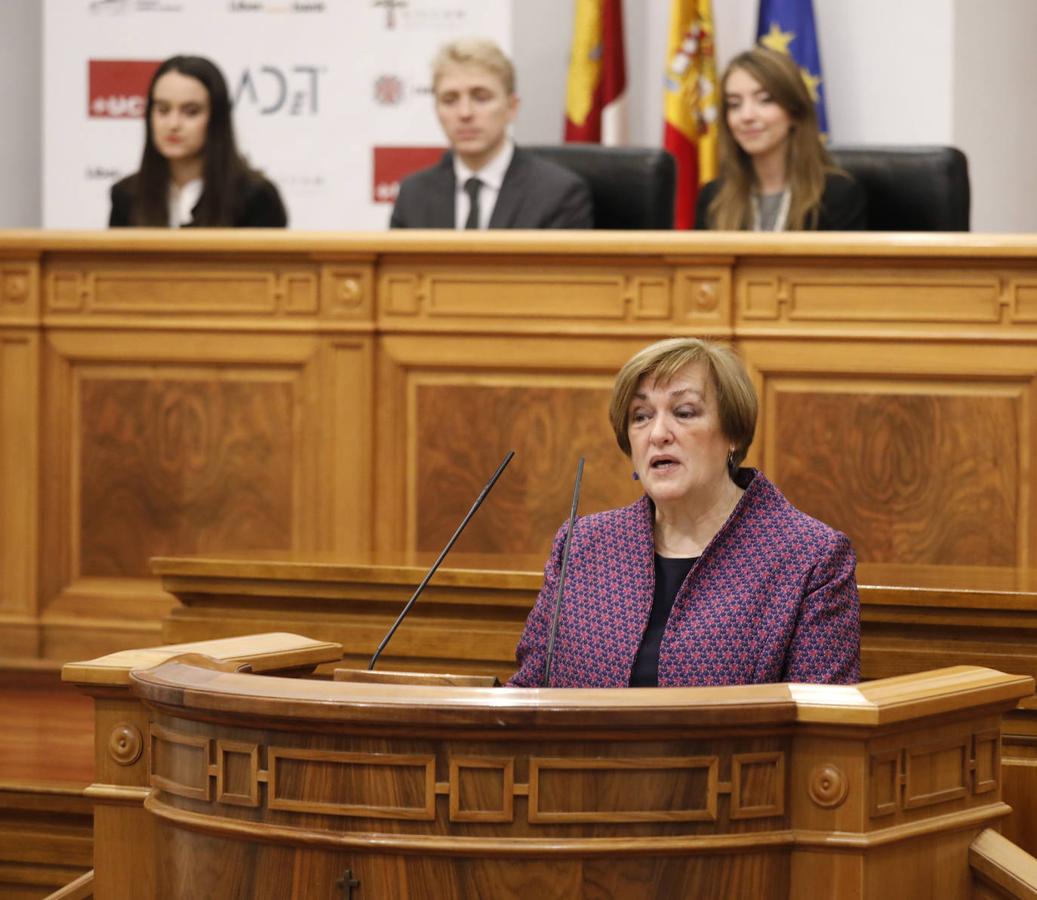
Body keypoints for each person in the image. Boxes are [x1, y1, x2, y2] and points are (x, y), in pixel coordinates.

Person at [509, 337, 860, 688]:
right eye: (641, 416)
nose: (658, 434)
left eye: (684, 412)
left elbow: (824, 726)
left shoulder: (810, 558)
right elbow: (527, 695)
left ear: (732, 434)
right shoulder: (583, 545)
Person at [390, 39, 593, 230]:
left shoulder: (558, 194)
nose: (465, 113)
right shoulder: (414, 194)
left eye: (481, 98)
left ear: (512, 107)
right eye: (450, 100)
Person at [695, 47, 865, 231]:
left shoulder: (836, 195)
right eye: (734, 104)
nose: (746, 116)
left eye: (765, 100)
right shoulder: (714, 197)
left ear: (794, 111)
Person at [109, 55, 287, 228]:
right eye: (163, 110)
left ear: (216, 119)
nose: (173, 124)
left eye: (190, 112)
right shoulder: (126, 195)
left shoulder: (256, 198)